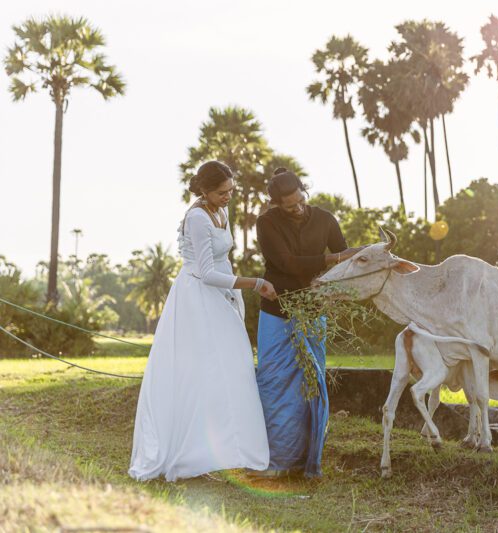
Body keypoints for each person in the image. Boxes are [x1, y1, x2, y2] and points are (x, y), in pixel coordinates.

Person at [129, 160, 277, 482]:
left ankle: (219, 452)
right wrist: (253, 284)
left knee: (229, 370)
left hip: (220, 296)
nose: (228, 197)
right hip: (198, 298)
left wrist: (234, 292)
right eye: (222, 192)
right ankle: (191, 455)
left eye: (231, 191)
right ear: (205, 190)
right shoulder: (196, 217)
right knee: (203, 374)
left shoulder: (220, 212)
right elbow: (207, 273)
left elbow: (222, 261)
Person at [255, 167, 362, 478]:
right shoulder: (266, 223)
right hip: (277, 311)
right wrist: (331, 261)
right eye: (289, 205)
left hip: (314, 312)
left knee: (310, 384)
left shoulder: (326, 219)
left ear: (304, 192)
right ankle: (276, 463)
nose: (297, 208)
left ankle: (307, 463)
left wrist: (332, 285)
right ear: (275, 204)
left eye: (300, 199)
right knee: (274, 384)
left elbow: (344, 256)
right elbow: (285, 262)